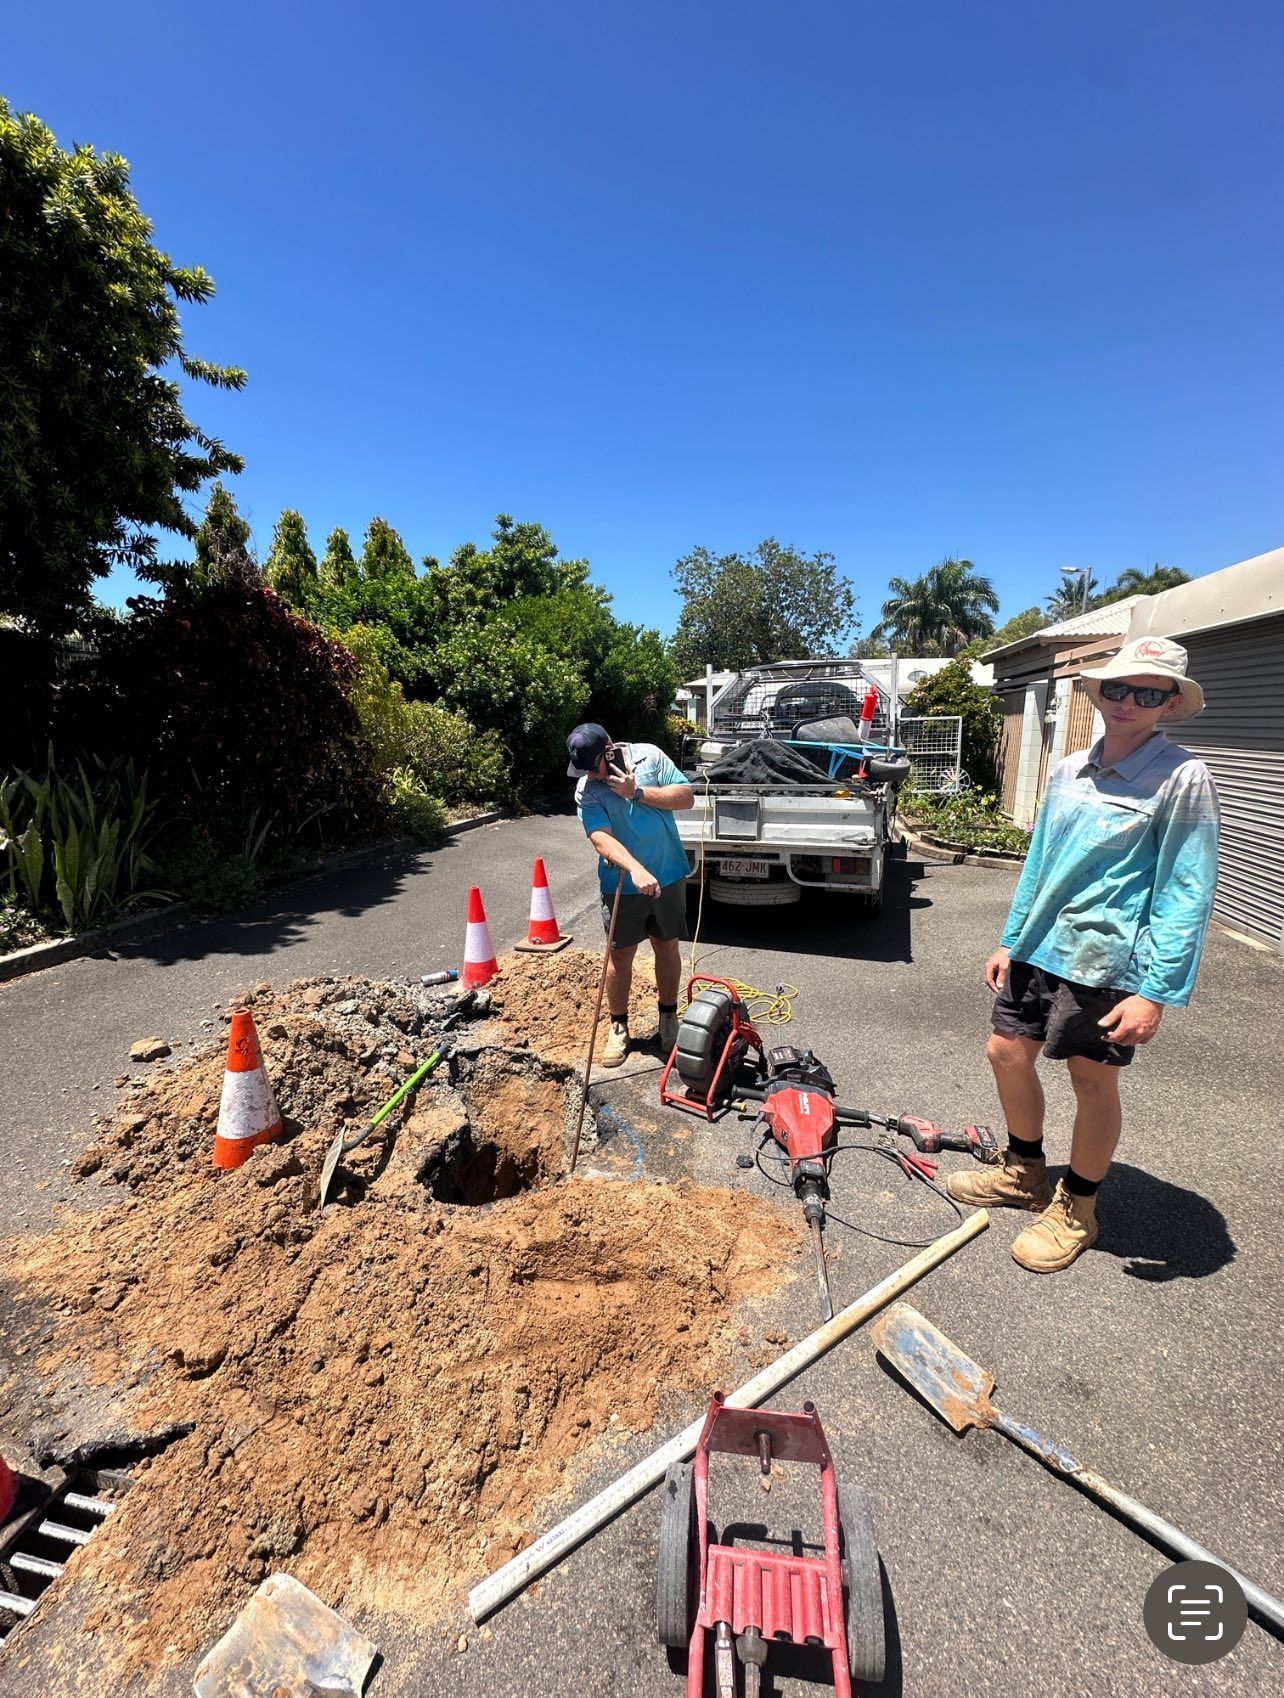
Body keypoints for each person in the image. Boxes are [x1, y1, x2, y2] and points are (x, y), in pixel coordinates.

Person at [948, 636, 1220, 1273]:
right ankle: (1025, 1172)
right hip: (1041, 943)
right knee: (1006, 1050)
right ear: (1100, 694)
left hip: (1110, 961)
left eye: (1147, 692)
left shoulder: (1182, 777)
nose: (1128, 701)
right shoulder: (1070, 768)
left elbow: (1187, 887)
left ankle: (1079, 1208)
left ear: (1168, 702)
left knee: (1091, 1079)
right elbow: (1040, 858)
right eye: (1118, 688)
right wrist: (1011, 937)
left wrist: (1154, 992)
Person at [568, 722, 695, 1067]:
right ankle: (618, 1027)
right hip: (621, 884)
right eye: (583, 770)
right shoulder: (588, 789)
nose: (590, 776)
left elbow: (686, 797)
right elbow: (600, 837)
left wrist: (635, 792)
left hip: (668, 874)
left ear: (610, 751)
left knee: (666, 947)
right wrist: (634, 868)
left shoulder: (650, 757)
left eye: (593, 767)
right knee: (619, 956)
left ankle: (668, 1020)